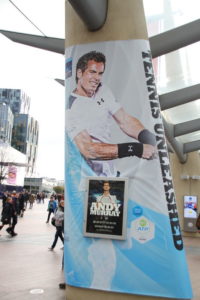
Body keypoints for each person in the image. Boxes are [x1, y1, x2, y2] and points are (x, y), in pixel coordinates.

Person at [66, 51, 157, 177]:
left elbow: (125, 120)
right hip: (87, 182)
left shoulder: (102, 89)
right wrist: (135, 149)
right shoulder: (72, 109)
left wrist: (151, 139)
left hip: (111, 175)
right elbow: (88, 150)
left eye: (100, 73)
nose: (97, 78)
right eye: (92, 72)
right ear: (79, 73)